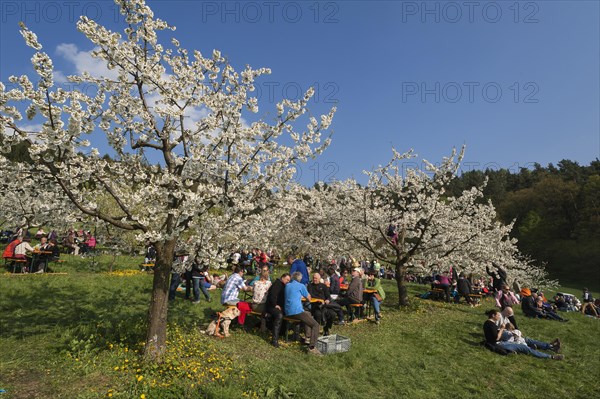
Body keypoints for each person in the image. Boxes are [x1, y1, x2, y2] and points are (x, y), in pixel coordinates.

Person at [483, 309, 563, 360]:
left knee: (525, 341)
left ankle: (550, 348)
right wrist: (501, 329)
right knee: (525, 348)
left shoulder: (489, 323)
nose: (499, 316)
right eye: (497, 315)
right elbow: (496, 338)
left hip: (501, 343)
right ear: (493, 315)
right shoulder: (490, 324)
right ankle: (551, 357)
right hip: (499, 344)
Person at [285, 272, 322, 356]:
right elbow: (309, 298)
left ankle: (308, 337)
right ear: (300, 279)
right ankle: (312, 347)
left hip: (287, 311)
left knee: (308, 314)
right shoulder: (301, 286)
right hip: (296, 311)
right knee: (315, 325)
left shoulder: (287, 285)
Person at [265, 273, 291, 348]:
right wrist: (274, 305)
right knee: (279, 315)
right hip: (271, 306)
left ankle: (282, 333)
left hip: (277, 306)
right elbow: (272, 295)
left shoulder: (283, 285)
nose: (288, 282)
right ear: (282, 278)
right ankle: (274, 340)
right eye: (287, 280)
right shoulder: (277, 284)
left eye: (289, 280)